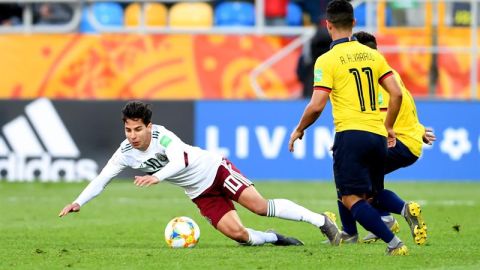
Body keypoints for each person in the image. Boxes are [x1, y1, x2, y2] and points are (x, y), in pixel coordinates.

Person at [59, 101, 341, 247]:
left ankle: (322, 222)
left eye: (137, 129)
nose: (132, 136)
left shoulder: (163, 136)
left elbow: (180, 162)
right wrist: (79, 202)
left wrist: (157, 177)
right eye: (128, 130)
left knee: (259, 206)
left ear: (148, 126)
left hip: (214, 169)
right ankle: (274, 239)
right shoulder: (125, 152)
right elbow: (103, 178)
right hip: (199, 192)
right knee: (240, 236)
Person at [288, 0, 414, 255]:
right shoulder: (374, 55)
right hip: (378, 136)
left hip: (351, 134)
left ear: (328, 24)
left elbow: (316, 105)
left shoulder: (327, 60)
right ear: (354, 23)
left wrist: (300, 129)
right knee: (371, 195)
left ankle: (394, 243)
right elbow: (396, 93)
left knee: (350, 198)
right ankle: (390, 226)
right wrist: (389, 126)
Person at [334, 31, 435, 244]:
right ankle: (396, 213)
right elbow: (402, 103)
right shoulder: (389, 73)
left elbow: (381, 112)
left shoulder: (371, 79)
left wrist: (352, 139)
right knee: (368, 188)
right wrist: (418, 130)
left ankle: (351, 232)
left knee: (348, 179)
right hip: (408, 141)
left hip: (397, 142)